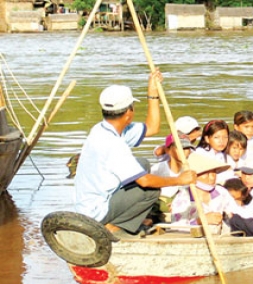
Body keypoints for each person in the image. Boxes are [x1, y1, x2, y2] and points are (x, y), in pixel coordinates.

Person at [74, 71, 197, 236]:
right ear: (128, 113)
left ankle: (123, 220)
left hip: (91, 203)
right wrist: (179, 180)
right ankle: (114, 226)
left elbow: (152, 127)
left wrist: (152, 94)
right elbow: (145, 182)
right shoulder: (114, 144)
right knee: (151, 190)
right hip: (96, 211)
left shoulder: (102, 129)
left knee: (143, 164)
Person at [171, 153, 238, 235]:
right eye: (207, 174)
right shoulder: (183, 198)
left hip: (221, 238)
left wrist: (227, 217)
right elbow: (176, 229)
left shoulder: (222, 192)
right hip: (192, 241)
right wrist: (200, 221)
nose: (212, 177)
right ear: (195, 176)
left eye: (214, 173)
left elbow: (235, 212)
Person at [149, 134, 195, 222]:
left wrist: (178, 204)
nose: (184, 152)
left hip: (184, 209)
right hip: (161, 208)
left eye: (187, 148)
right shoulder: (157, 169)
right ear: (168, 150)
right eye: (180, 148)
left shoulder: (192, 170)